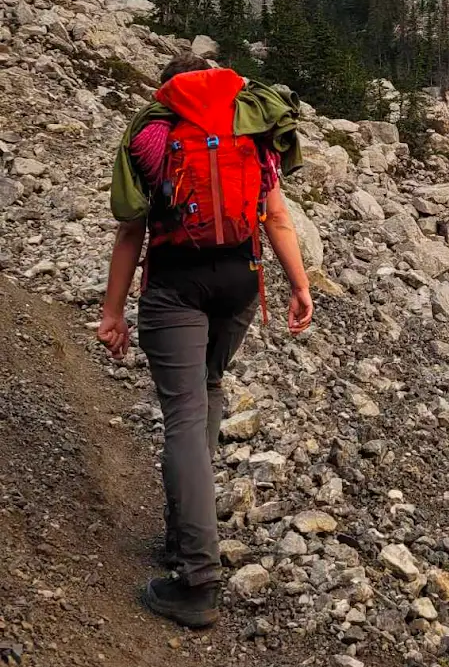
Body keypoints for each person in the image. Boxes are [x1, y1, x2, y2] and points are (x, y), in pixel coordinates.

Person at [97, 55, 313, 628]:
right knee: (209, 387)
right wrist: (300, 284)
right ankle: (182, 533)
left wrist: (112, 310)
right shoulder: (247, 120)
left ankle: (196, 578)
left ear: (169, 85)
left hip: (176, 286)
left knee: (185, 416)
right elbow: (275, 216)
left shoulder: (155, 131)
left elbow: (129, 229)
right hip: (241, 282)